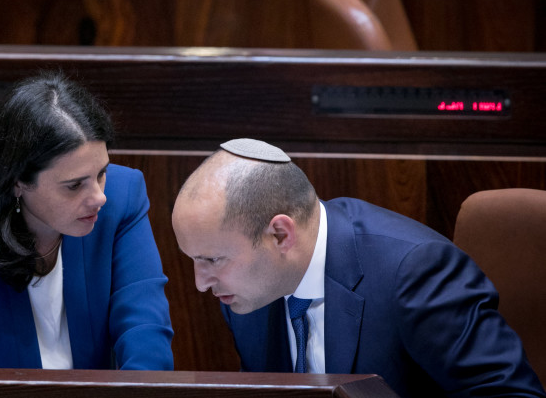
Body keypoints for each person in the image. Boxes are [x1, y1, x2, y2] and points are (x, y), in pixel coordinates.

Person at [171, 138, 545, 397]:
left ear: (280, 235)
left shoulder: (414, 273)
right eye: (194, 259)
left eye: (212, 259)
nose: (201, 283)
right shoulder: (244, 291)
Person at [0, 72, 173, 370]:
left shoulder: (123, 197)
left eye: (101, 173)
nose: (99, 196)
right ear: (17, 182)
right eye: (74, 185)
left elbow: (146, 332)